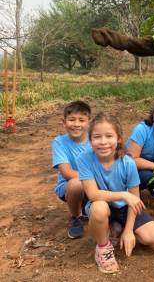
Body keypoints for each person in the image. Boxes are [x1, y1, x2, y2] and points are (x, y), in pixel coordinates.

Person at [77, 112, 154, 274]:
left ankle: (117, 229)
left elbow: (135, 200)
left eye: (109, 136)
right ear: (90, 140)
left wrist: (129, 230)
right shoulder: (84, 159)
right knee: (99, 208)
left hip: (126, 208)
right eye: (97, 137)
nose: (103, 142)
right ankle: (103, 248)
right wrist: (123, 195)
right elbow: (93, 194)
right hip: (102, 205)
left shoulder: (128, 163)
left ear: (118, 139)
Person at [51, 100, 91, 239]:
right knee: (76, 184)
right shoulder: (59, 142)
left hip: (95, 186)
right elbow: (67, 173)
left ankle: (90, 208)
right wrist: (93, 179)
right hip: (70, 187)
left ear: (89, 122)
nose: (76, 124)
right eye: (71, 119)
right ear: (64, 122)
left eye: (81, 120)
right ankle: (76, 216)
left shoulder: (95, 140)